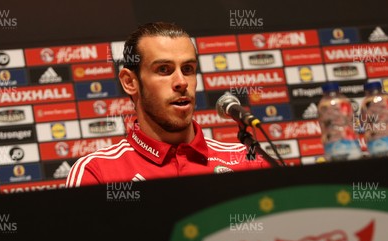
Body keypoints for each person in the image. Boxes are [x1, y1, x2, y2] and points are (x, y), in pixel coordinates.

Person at [66, 21, 270, 188]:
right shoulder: (96, 173)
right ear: (130, 82)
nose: (182, 82)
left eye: (188, 69)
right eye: (164, 69)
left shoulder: (248, 162)